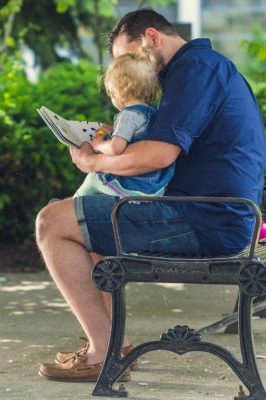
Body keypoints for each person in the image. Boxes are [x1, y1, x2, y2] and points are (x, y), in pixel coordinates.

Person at [36, 8, 266, 382]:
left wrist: (93, 163)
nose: (131, 69)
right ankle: (116, 348)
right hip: (214, 213)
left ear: (152, 37)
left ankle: (100, 353)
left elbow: (159, 156)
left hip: (206, 219)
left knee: (52, 222)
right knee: (87, 221)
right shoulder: (195, 69)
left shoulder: (196, 70)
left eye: (130, 56)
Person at [76, 42, 175, 198]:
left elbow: (116, 148)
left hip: (135, 185)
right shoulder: (150, 112)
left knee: (94, 178)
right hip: (154, 184)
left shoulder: (128, 115)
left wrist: (99, 144)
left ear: (118, 92)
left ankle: (72, 204)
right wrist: (111, 131)